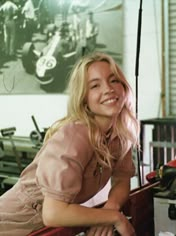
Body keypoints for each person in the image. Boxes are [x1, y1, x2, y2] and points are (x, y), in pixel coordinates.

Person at [0, 52, 140, 236]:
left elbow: (122, 179)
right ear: (84, 99)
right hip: (12, 221)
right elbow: (53, 213)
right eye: (95, 85)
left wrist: (110, 209)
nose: (108, 89)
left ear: (124, 87)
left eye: (113, 80)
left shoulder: (119, 134)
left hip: (50, 227)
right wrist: (115, 218)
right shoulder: (74, 136)